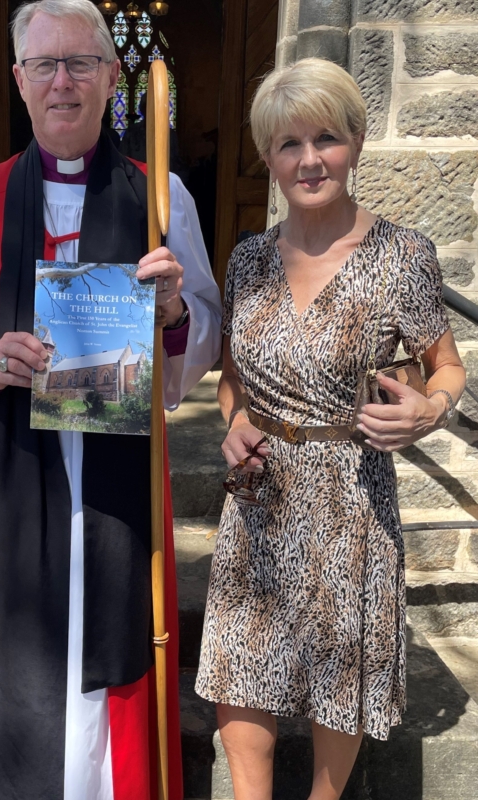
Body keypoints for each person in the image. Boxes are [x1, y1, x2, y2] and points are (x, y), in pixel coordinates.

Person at [0, 1, 222, 797]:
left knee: (115, 666)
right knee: (26, 662)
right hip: (22, 469)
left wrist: (177, 314)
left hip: (123, 473)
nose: (63, 82)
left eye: (81, 63)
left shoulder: (164, 198)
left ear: (111, 75)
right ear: (18, 80)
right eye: (44, 65)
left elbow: (208, 325)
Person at [195, 57, 466, 800]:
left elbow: (445, 366)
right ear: (268, 156)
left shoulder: (401, 255)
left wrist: (429, 409)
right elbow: (233, 380)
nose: (309, 159)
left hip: (350, 498)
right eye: (289, 144)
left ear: (356, 140)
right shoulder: (248, 258)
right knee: (241, 675)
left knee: (336, 676)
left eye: (326, 138)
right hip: (256, 502)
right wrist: (235, 422)